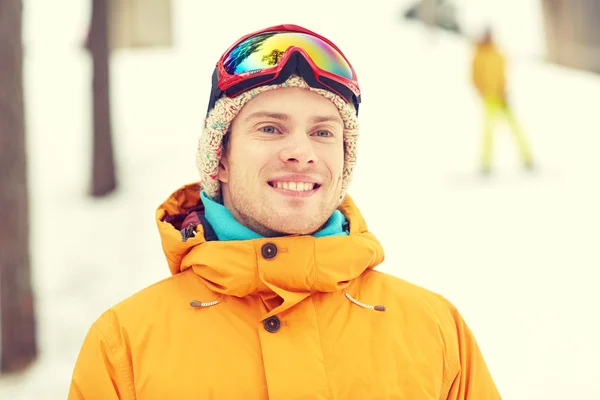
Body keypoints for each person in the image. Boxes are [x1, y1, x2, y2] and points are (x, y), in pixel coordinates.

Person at [69, 24, 501, 399]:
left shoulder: (434, 329)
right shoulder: (124, 345)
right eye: (270, 128)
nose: (301, 153)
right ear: (219, 157)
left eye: (323, 132)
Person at [472, 27, 534, 175]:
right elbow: (474, 77)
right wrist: (483, 91)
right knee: (488, 132)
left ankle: (527, 158)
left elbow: (504, 73)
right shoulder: (478, 55)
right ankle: (485, 163)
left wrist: (504, 90)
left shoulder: (498, 53)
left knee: (515, 128)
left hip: (502, 97)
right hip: (489, 99)